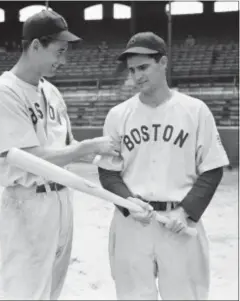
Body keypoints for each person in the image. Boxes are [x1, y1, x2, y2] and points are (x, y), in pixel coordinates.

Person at [0, 10, 122, 300]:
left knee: (52, 291)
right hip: (28, 202)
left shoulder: (52, 91)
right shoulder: (2, 92)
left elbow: (66, 146)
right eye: (58, 51)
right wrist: (88, 148)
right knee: (28, 293)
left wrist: (102, 157)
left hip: (61, 200)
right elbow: (28, 157)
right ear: (35, 46)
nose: (63, 60)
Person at [96, 32, 229, 300]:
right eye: (132, 70)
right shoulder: (118, 115)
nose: (137, 76)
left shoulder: (195, 111)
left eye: (143, 67)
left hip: (179, 222)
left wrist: (186, 211)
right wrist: (128, 202)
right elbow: (108, 172)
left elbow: (212, 168)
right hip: (132, 223)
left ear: (163, 62)